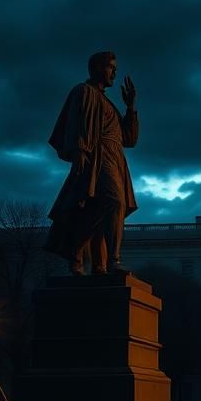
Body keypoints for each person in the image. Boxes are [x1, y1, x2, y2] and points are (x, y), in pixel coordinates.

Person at [44, 51, 139, 275]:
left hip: (116, 160)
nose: (115, 72)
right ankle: (113, 260)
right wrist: (80, 152)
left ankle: (95, 263)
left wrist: (130, 108)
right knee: (114, 203)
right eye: (111, 67)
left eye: (115, 68)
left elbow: (129, 139)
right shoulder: (84, 91)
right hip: (98, 156)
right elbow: (79, 123)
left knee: (100, 210)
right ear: (97, 68)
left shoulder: (109, 103)